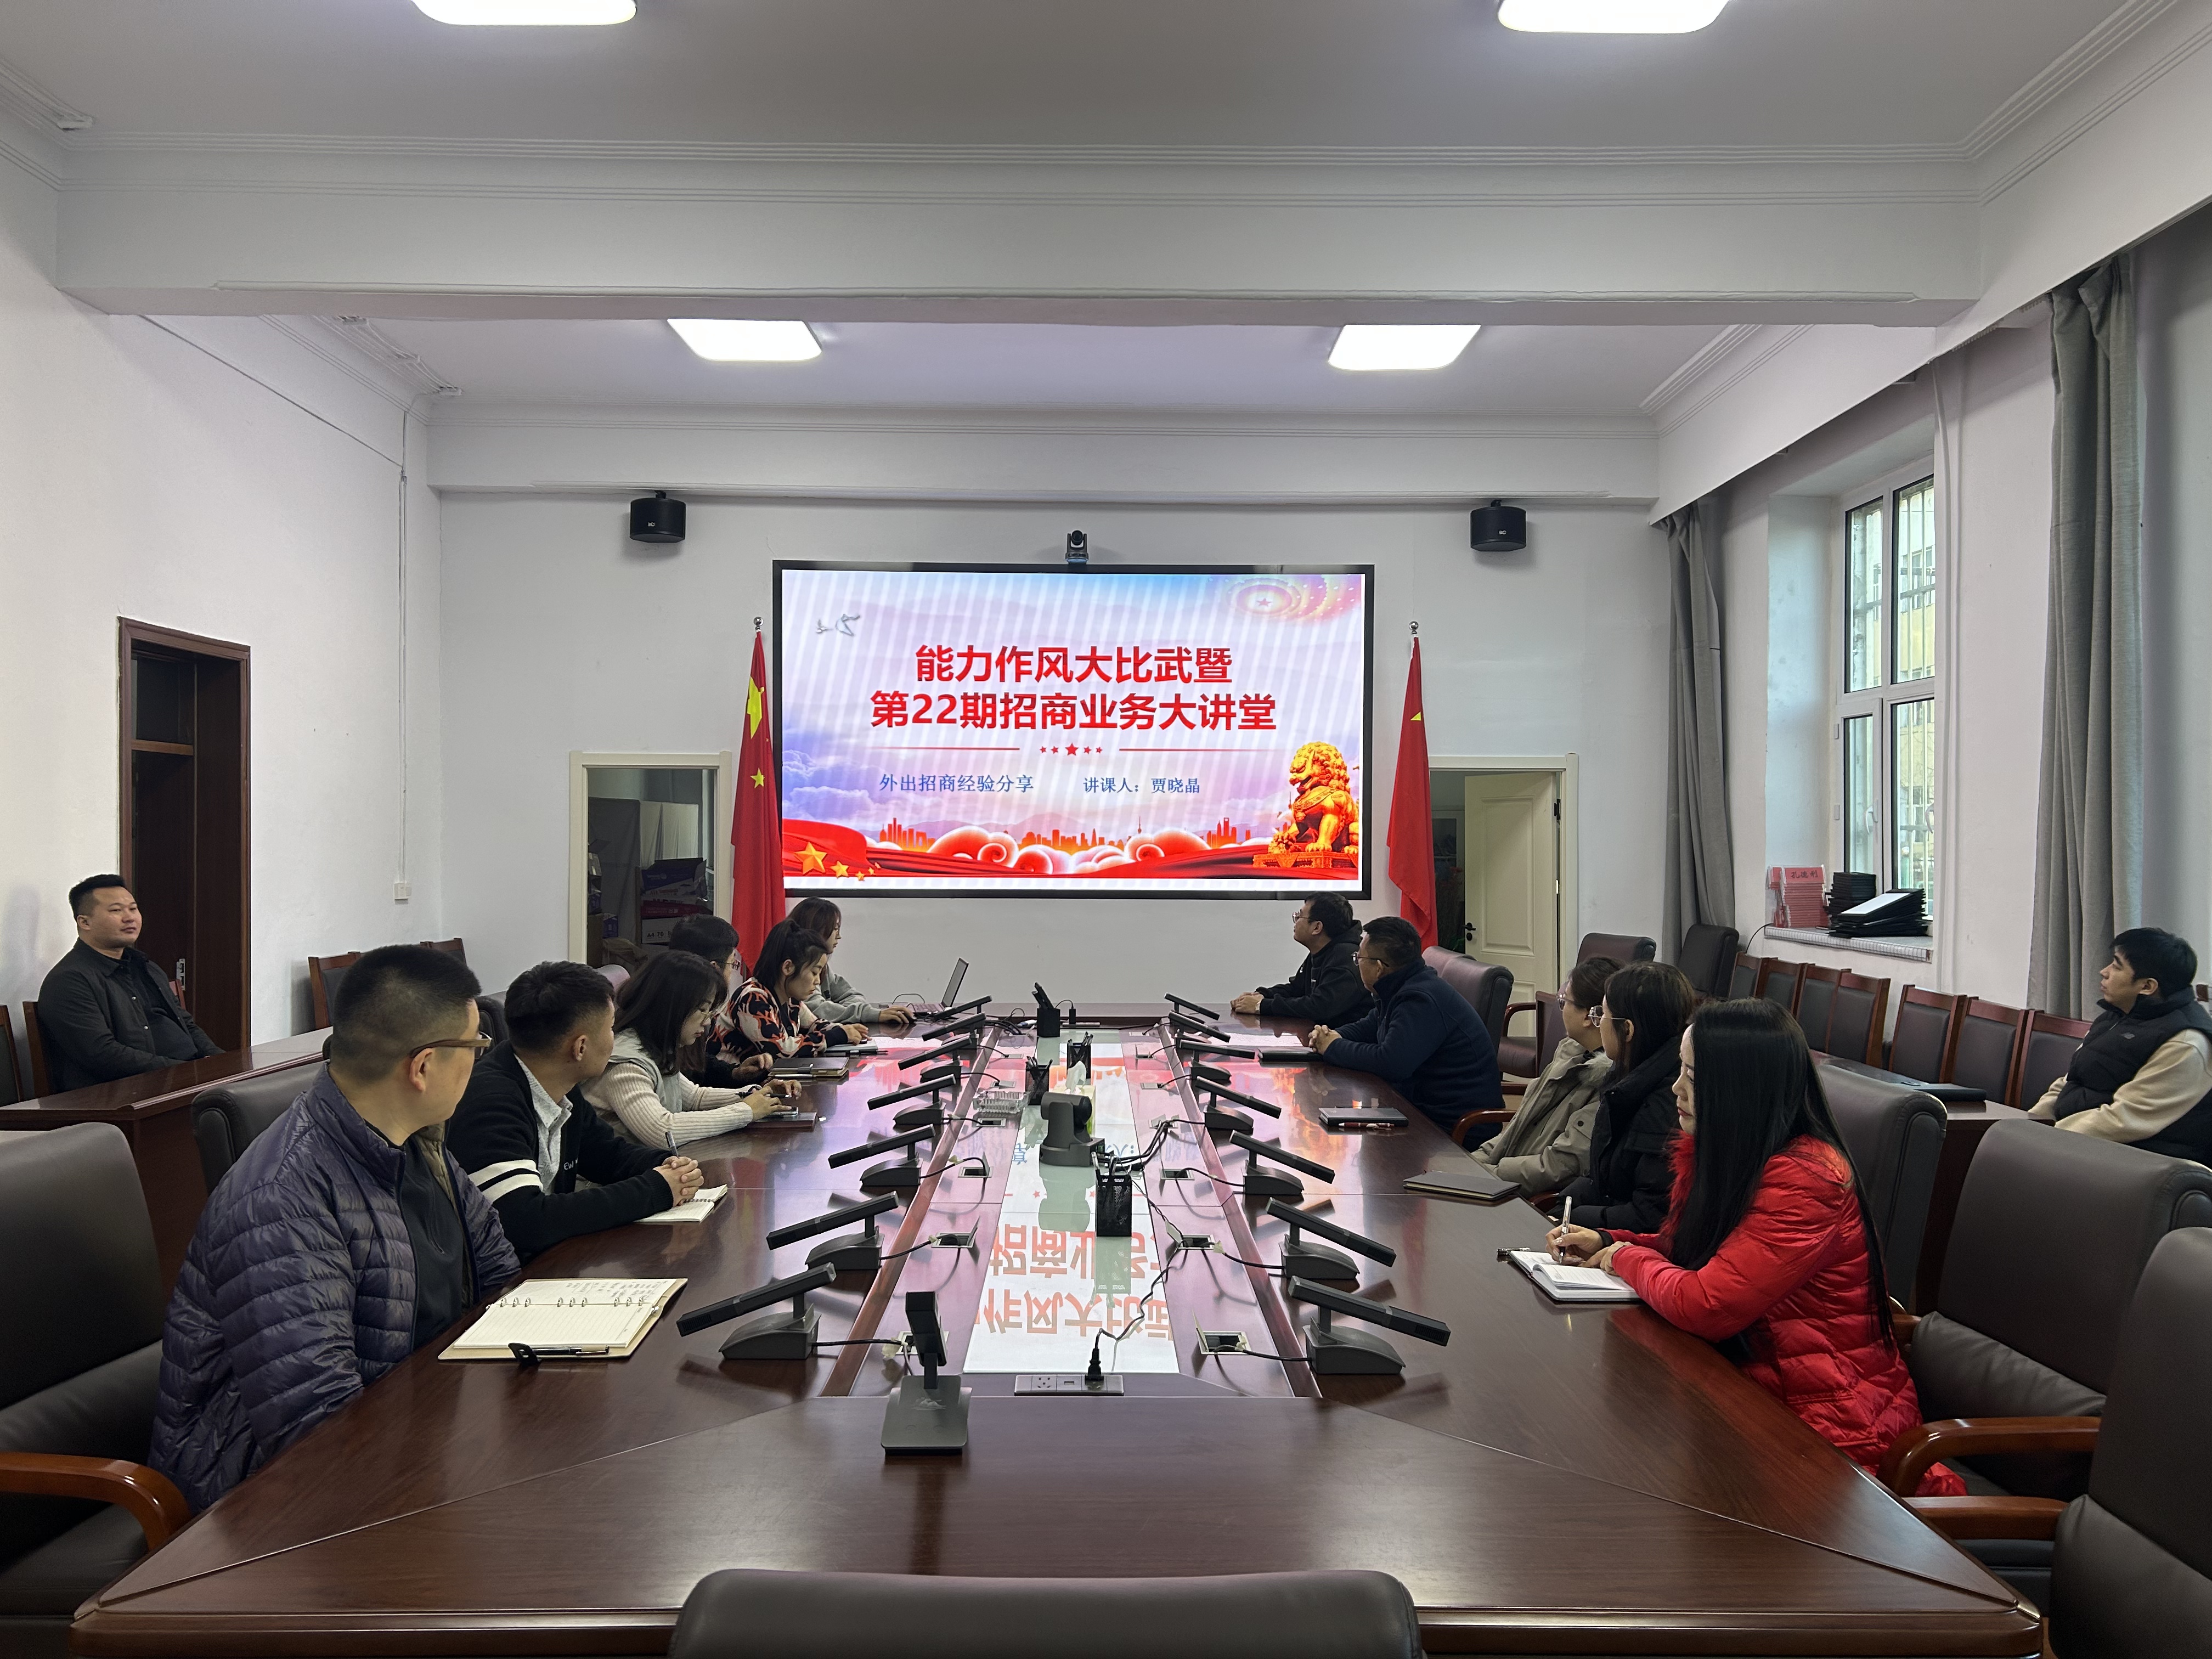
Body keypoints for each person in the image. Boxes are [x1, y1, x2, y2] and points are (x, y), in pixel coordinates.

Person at [149, 946, 517, 1511]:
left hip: (416, 1430)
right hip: (263, 1498)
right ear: (422, 1067)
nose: (480, 1060)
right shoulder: (283, 1198)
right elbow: (316, 1430)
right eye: (476, 1046)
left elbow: (501, 1278)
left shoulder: (417, 1142)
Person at [1549, 1000, 1965, 1496]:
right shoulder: (1738, 1151)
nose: (1677, 1089)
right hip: (1754, 1393)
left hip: (1830, 1432)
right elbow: (1700, 1254)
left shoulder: (1807, 1179)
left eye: (1692, 1077)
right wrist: (1610, 1241)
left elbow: (1708, 1303)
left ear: (1740, 1088)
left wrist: (1625, 1258)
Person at [447, 961, 704, 1261]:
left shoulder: (560, 1085)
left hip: (549, 1260)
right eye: (611, 1028)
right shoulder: (491, 1101)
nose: (615, 1038)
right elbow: (524, 1221)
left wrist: (667, 1165)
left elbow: (607, 1155)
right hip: (505, 1276)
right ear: (580, 1047)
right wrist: (656, 1189)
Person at [1304, 917, 1503, 1133]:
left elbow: (1391, 1063)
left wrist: (1333, 1046)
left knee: (1337, 1133)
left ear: (1379, 968)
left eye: (1358, 958)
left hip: (1452, 1125)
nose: (1357, 962)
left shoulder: (1420, 999)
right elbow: (1369, 1026)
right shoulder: (1401, 985)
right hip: (1419, 1108)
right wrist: (1330, 1035)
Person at [2027, 928, 2212, 1161]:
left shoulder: (2186, 1042)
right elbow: (2070, 1081)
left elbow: (2124, 1119)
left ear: (2147, 986)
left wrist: (2044, 1139)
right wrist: (2029, 1123)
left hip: (2142, 1161)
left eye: (2116, 966)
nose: (2104, 972)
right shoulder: (2117, 1017)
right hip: (2080, 1145)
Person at [582, 951, 791, 1150]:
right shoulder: (626, 1064)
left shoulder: (654, 1047)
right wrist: (746, 1111)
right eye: (703, 1010)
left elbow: (694, 1097)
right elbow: (662, 1131)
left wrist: (759, 1093)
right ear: (672, 1007)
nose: (707, 1021)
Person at [36, 874, 221, 1091]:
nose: (129, 918)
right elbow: (102, 1054)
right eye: (116, 910)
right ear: (85, 922)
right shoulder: (70, 980)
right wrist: (188, 1073)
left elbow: (185, 1024)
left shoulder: (146, 967)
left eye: (133, 909)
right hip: (129, 1091)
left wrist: (219, 1062)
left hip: (182, 1079)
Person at [1550, 960, 1696, 1234]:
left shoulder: (1667, 1103)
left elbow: (1650, 1216)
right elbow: (1604, 1179)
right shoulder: (1627, 1072)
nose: (1598, 1024)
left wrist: (1575, 1219)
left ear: (1627, 1030)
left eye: (1602, 1015)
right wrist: (1564, 1206)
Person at [1468, 956, 1621, 1182]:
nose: (1562, 1009)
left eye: (1564, 1002)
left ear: (1590, 1017)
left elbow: (1559, 1165)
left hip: (1520, 1193)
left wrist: (1486, 1176)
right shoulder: (1569, 1052)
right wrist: (1471, 1164)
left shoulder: (1609, 1084)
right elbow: (1517, 1129)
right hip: (1500, 1176)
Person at [720, 921, 864, 1065]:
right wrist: (837, 1035)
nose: (818, 981)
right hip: (731, 1078)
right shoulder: (752, 998)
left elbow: (815, 1025)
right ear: (788, 967)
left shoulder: (790, 1000)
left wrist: (846, 1030)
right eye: (814, 972)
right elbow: (780, 1050)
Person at [667, 914, 775, 1088]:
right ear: (714, 968)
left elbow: (695, 1066)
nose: (707, 1021)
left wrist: (736, 1073)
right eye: (733, 964)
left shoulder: (681, 1002)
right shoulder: (677, 1014)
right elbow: (689, 1093)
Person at [1229, 895, 1373, 1025]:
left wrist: (1261, 1006)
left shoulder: (1346, 957)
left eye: (1300, 916)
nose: (1296, 921)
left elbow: (1319, 1007)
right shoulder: (1323, 950)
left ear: (1317, 927)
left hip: (1347, 1040)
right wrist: (1261, 995)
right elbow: (1296, 989)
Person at [787, 898, 915, 1029]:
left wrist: (844, 1013)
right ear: (817, 930)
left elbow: (852, 995)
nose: (839, 936)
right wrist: (866, 1014)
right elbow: (816, 1009)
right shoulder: (798, 968)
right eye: (835, 929)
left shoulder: (823, 967)